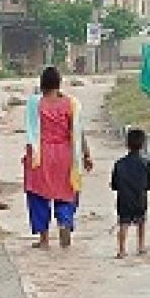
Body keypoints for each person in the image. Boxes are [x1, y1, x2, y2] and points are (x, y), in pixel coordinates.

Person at [23, 66, 92, 250]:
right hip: (65, 155)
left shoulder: (34, 103)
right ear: (59, 83)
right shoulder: (71, 103)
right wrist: (86, 154)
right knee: (67, 192)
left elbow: (31, 133)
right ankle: (64, 221)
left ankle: (44, 239)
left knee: (38, 194)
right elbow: (78, 131)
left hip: (41, 154)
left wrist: (27, 157)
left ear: (42, 83)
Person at [111, 127, 150, 258]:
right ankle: (141, 246)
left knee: (123, 224)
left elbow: (114, 184)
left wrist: (118, 188)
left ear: (127, 144)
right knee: (141, 222)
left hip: (123, 200)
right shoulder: (146, 163)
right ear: (143, 145)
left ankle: (121, 250)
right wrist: (144, 188)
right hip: (140, 199)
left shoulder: (119, 164)